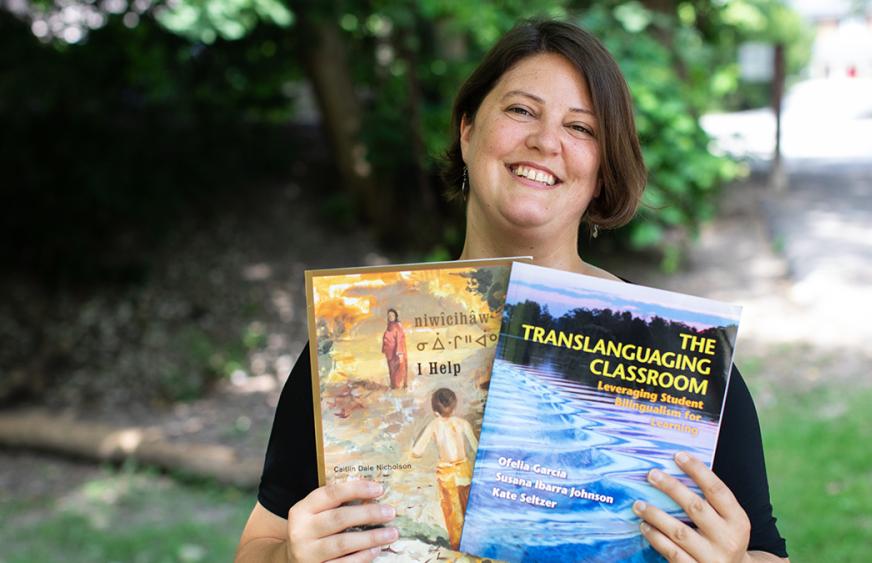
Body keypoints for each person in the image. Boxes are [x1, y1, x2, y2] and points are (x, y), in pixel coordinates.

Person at [236, 19, 789, 563]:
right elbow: (257, 547)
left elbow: (767, 554)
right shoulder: (352, 334)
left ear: (601, 169)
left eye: (581, 128)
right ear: (468, 129)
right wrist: (290, 557)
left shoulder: (681, 357)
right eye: (522, 110)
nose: (545, 141)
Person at [409, 388, 478, 551]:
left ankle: (458, 546)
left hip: (447, 474)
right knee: (468, 506)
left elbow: (417, 451)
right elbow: (475, 447)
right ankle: (475, 541)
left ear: (435, 411)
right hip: (464, 470)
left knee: (453, 513)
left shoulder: (434, 425)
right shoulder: (462, 423)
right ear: (454, 407)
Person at [381, 309, 408, 389]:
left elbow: (400, 339)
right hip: (390, 353)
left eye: (392, 315)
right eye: (389, 316)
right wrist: (384, 349)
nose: (390, 317)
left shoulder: (398, 326)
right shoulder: (389, 326)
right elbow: (386, 338)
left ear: (396, 316)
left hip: (397, 353)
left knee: (399, 369)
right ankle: (394, 386)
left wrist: (399, 352)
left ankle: (399, 387)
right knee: (392, 370)